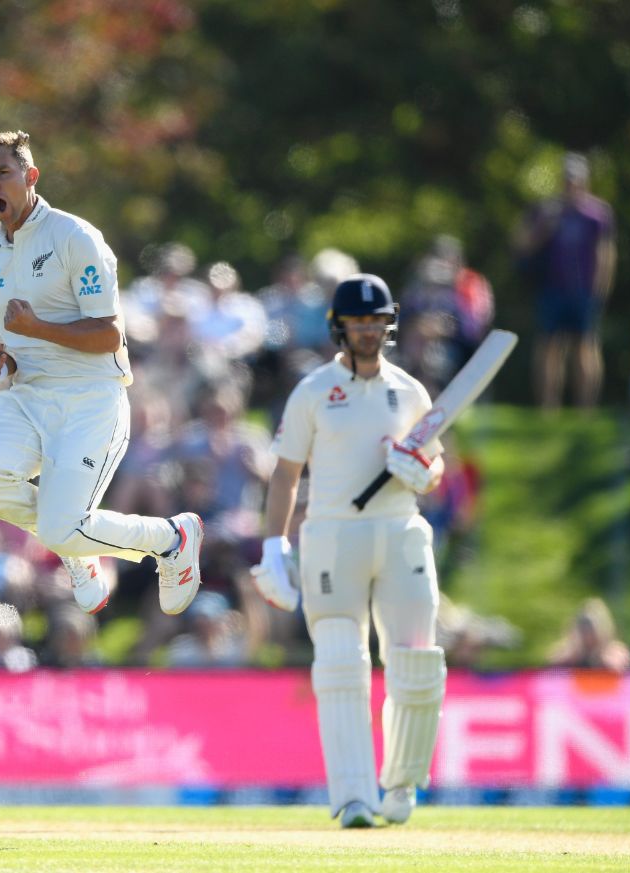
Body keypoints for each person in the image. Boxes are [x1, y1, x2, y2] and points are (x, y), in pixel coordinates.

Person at [0, 130, 203, 617]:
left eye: (3, 173)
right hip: (27, 396)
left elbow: (109, 335)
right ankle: (76, 544)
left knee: (59, 528)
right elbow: (2, 345)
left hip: (91, 397)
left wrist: (37, 328)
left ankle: (172, 538)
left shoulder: (75, 238)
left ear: (31, 177)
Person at [252, 273, 447, 828]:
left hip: (400, 530)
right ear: (340, 326)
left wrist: (424, 472)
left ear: (389, 323)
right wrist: (274, 545)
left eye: (377, 320)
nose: (368, 329)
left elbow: (436, 462)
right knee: (340, 662)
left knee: (415, 659)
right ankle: (353, 797)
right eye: (359, 321)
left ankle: (403, 784)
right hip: (334, 535)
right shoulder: (313, 391)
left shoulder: (410, 391)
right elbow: (286, 473)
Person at [515, 152, 616, 409]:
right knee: (549, 348)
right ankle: (548, 407)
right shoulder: (546, 211)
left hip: (584, 290)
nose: (572, 185)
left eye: (576, 180)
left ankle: (585, 408)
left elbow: (605, 254)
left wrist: (600, 290)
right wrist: (544, 229)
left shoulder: (597, 215)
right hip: (552, 288)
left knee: (586, 347)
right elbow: (523, 245)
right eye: (567, 180)